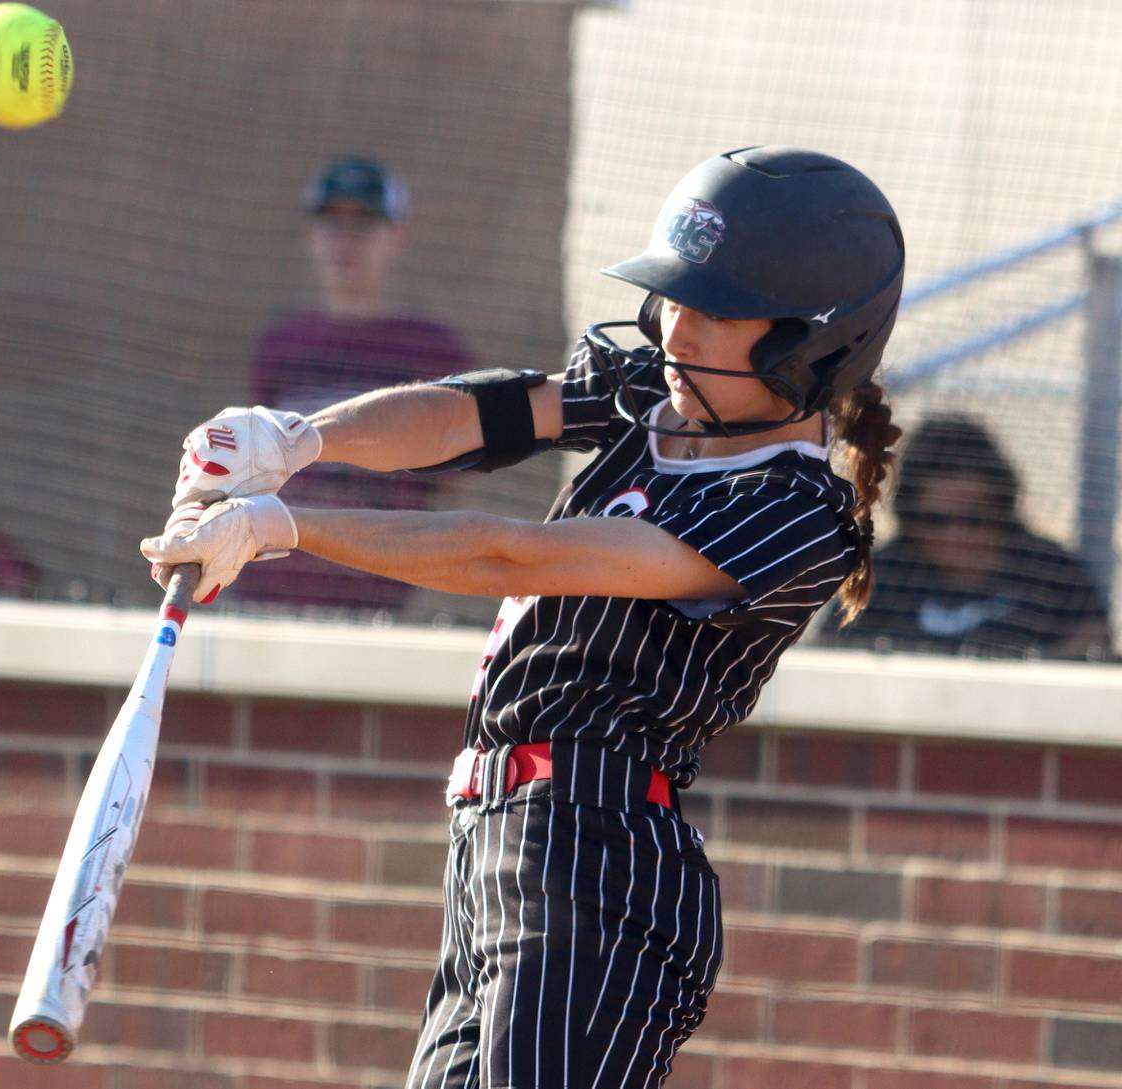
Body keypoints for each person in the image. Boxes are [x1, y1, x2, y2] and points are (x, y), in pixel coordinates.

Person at [146, 146, 905, 1087]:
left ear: (811, 342)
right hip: (495, 846)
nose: (679, 329)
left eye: (716, 311)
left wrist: (280, 526)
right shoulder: (658, 398)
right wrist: (297, 441)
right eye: (675, 299)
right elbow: (473, 416)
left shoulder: (790, 512)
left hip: (599, 864)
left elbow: (516, 554)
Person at [231, 153, 475, 616]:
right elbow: (254, 475)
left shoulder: (435, 350)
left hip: (387, 606)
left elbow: (455, 493)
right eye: (331, 224)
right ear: (310, 236)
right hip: (271, 603)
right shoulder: (281, 344)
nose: (345, 242)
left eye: (363, 225)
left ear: (396, 237)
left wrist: (431, 601)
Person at [819, 413, 1113, 660]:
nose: (957, 535)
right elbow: (831, 654)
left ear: (1002, 510)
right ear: (910, 517)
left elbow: (1093, 647)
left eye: (975, 519)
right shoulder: (881, 577)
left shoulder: (1049, 571)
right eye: (937, 520)